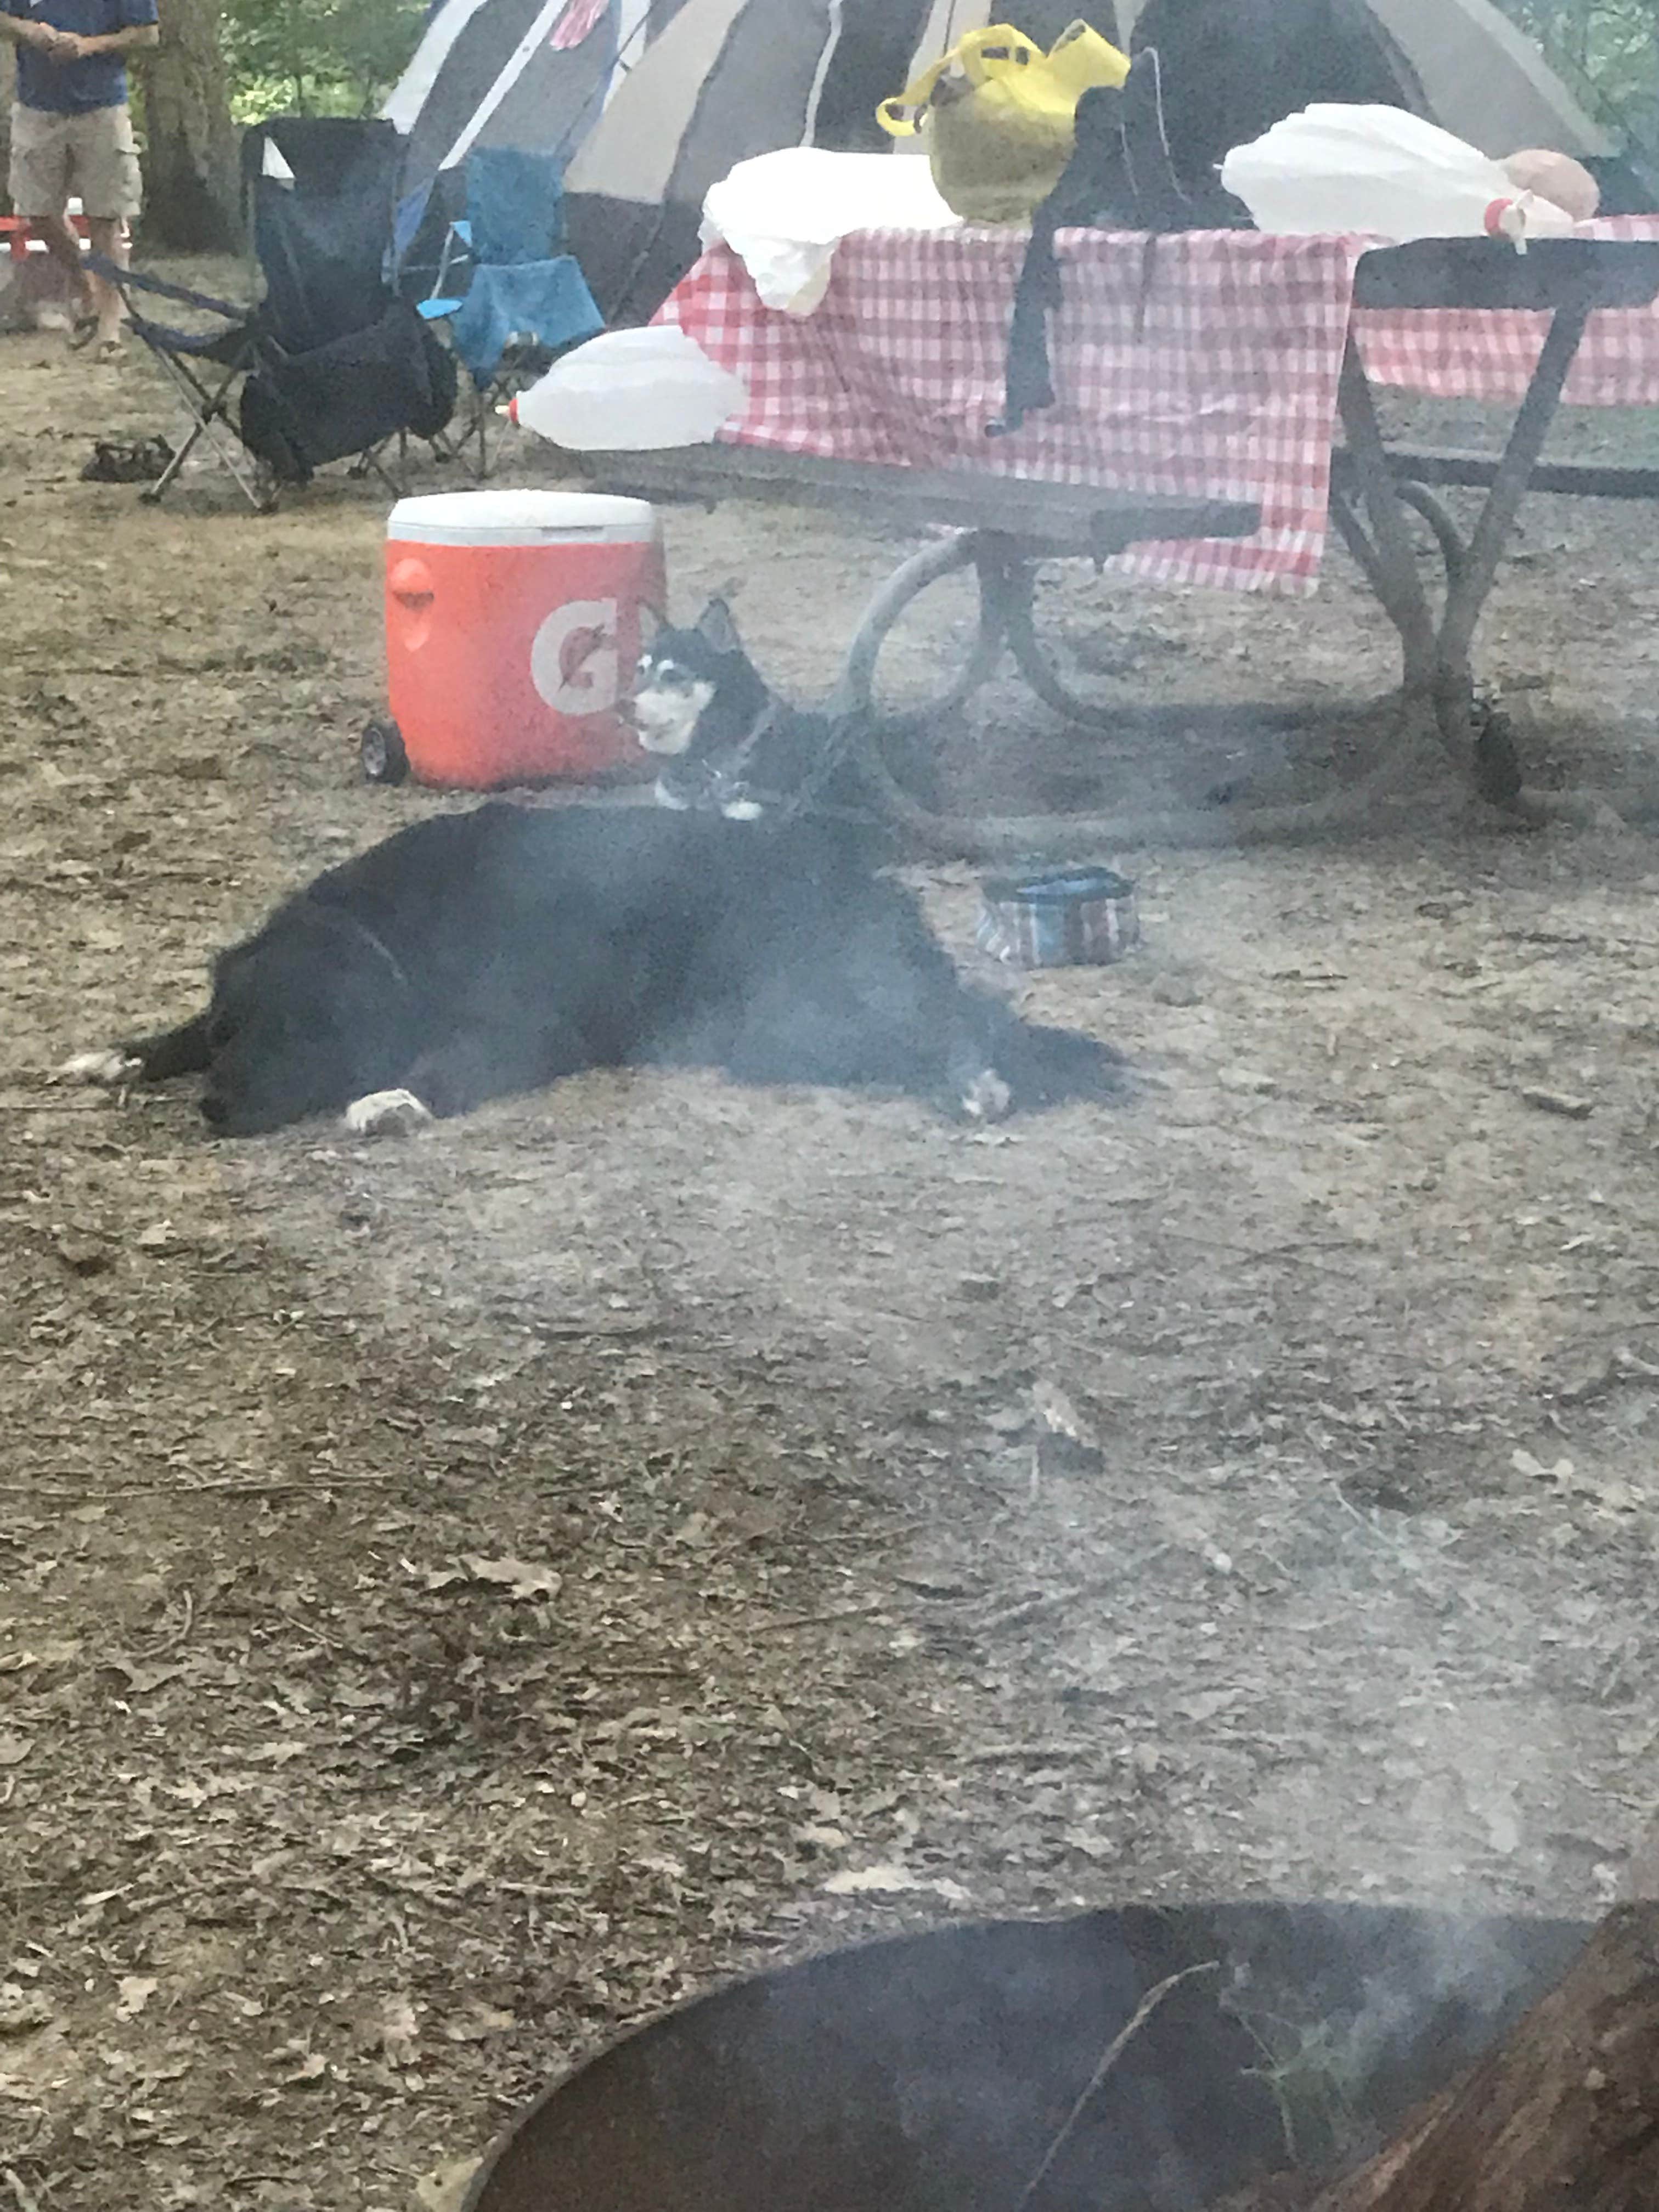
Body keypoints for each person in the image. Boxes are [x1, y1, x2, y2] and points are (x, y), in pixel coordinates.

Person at [1, 0, 159, 360]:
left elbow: (148, 33)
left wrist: (88, 46)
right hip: (36, 108)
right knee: (38, 215)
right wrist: (30, 31)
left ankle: (110, 332)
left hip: (103, 108)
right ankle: (83, 282)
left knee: (107, 219)